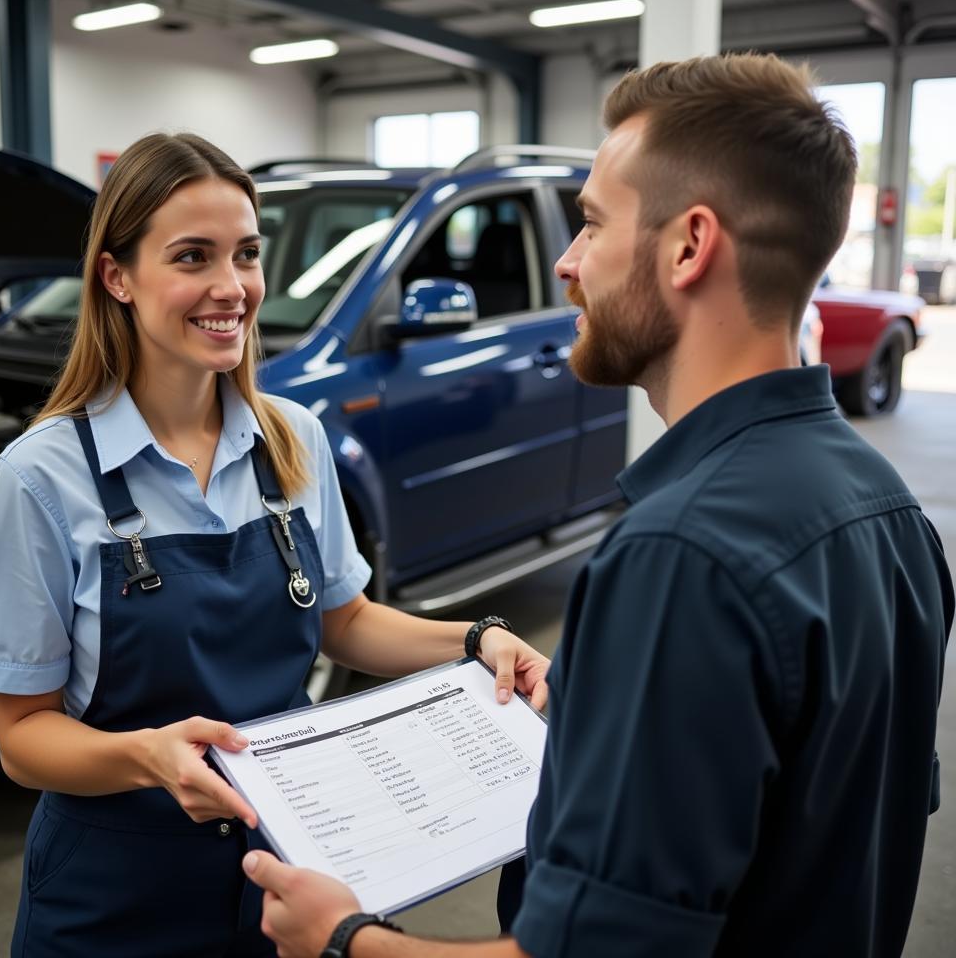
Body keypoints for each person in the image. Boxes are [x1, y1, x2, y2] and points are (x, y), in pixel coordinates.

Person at [241, 54, 955, 958]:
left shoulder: (678, 557)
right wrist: (603, 721)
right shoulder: (891, 513)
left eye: (589, 225)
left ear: (689, 246)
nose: (566, 265)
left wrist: (342, 938)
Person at [0, 131, 550, 957]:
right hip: (116, 896)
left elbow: (345, 622)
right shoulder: (40, 479)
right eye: (193, 257)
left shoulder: (293, 439)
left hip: (286, 880)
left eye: (246, 255)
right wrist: (149, 759)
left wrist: (478, 640)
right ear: (117, 276)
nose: (231, 287)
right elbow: (22, 738)